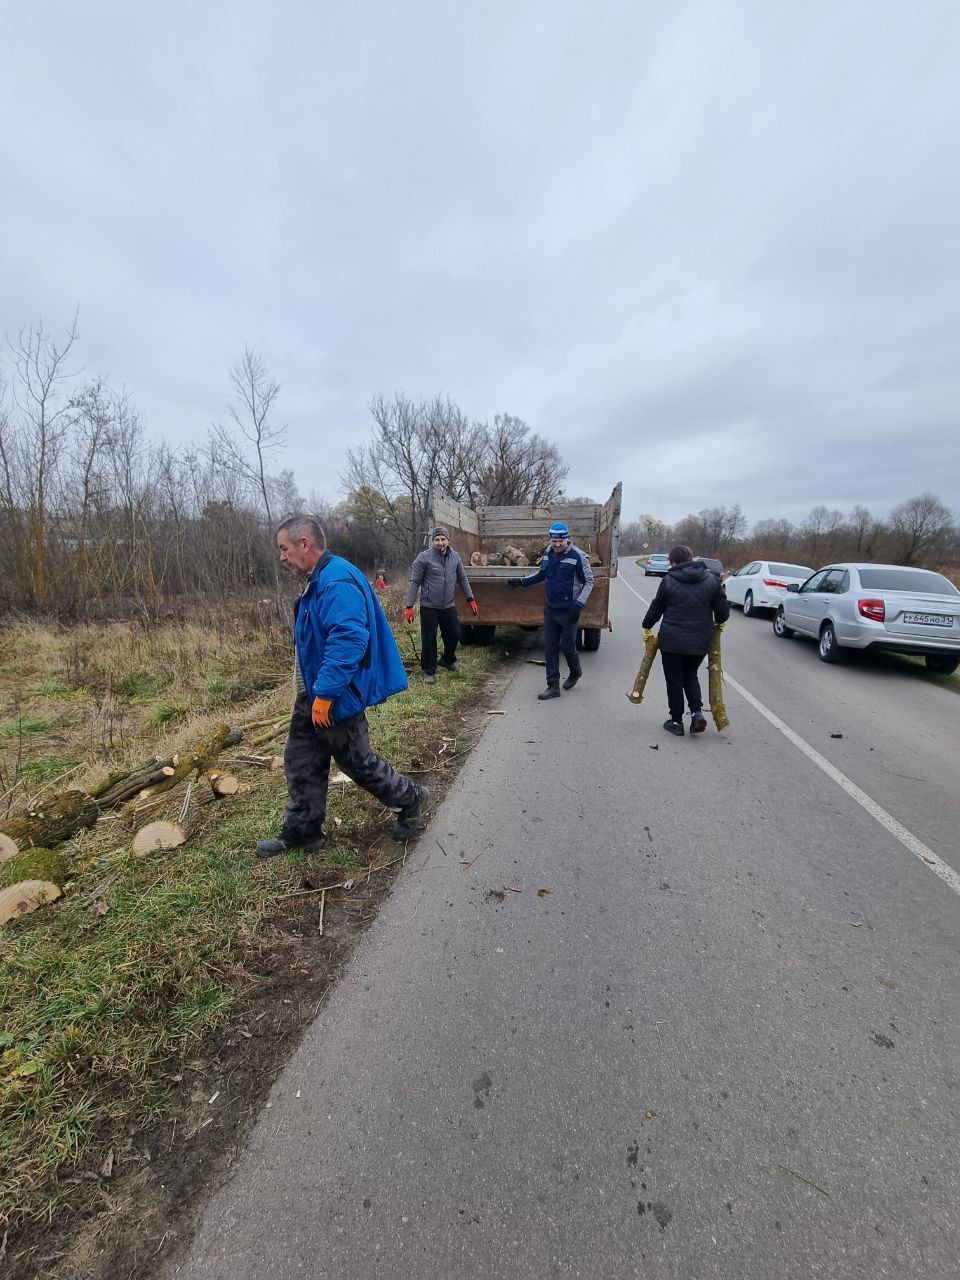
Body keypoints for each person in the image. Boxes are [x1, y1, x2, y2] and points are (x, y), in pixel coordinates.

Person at [256, 515, 428, 857]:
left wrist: (326, 695)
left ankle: (411, 798)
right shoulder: (319, 578)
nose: (282, 557)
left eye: (284, 548)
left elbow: (348, 639)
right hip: (315, 695)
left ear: (305, 544)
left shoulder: (336, 581)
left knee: (357, 762)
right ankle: (302, 832)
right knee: (302, 760)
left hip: (333, 696)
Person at [641, 544, 729, 736]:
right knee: (690, 675)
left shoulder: (668, 580)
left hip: (671, 641)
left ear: (671, 563)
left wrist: (646, 625)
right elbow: (722, 615)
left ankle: (676, 721)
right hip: (700, 642)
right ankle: (697, 714)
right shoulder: (712, 580)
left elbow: (657, 607)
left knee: (674, 680)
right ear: (691, 559)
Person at [506, 521, 594, 699]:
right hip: (551, 610)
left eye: (561, 541)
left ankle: (575, 671)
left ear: (567, 539)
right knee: (550, 648)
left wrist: (579, 605)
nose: (557, 544)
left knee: (568, 647)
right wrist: (522, 582)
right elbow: (542, 574)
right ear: (551, 539)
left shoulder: (578, 556)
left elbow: (589, 582)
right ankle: (553, 686)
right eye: (554, 541)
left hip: (570, 611)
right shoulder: (548, 553)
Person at [404, 527, 478, 685]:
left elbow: (463, 579)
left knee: (454, 634)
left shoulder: (455, 556)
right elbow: (414, 582)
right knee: (429, 638)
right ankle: (429, 671)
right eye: (437, 540)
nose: (440, 542)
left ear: (448, 541)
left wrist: (470, 598)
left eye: (443, 539)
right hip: (429, 606)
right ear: (433, 541)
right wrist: (409, 606)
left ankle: (447, 659)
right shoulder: (424, 558)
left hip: (448, 605)